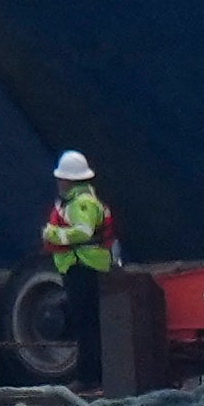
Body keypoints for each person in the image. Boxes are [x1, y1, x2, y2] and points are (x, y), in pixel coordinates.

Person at [41, 148, 119, 377]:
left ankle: (89, 377)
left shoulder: (80, 203)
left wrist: (54, 235)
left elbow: (84, 232)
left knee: (86, 325)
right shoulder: (82, 200)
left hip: (83, 266)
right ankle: (93, 376)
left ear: (67, 179)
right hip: (83, 265)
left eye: (60, 178)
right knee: (88, 324)